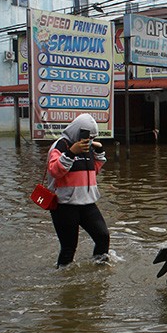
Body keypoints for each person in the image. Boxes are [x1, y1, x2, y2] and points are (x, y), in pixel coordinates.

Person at [46, 113, 110, 268]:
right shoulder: (60, 146)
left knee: (103, 236)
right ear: (77, 131)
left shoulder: (86, 146)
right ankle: (64, 283)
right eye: (88, 136)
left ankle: (99, 273)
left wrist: (99, 153)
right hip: (64, 205)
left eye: (93, 137)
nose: (90, 140)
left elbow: (93, 171)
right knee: (69, 248)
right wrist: (71, 153)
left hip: (87, 202)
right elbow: (54, 170)